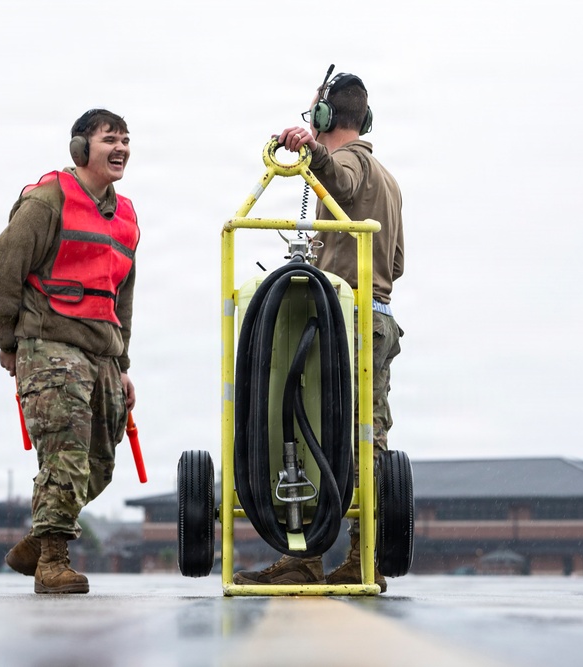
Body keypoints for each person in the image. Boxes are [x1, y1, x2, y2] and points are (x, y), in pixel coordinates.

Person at [234, 66, 404, 592]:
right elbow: (394, 264)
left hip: (345, 316)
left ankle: (303, 554)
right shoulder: (392, 181)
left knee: (314, 427)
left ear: (325, 116)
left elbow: (342, 179)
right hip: (378, 315)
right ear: (366, 116)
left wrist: (313, 149)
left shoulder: (352, 163)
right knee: (365, 435)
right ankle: (362, 556)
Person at [0, 109, 139, 595]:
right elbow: (2, 273)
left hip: (103, 353)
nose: (120, 149)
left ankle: (37, 538)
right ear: (80, 149)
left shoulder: (128, 216)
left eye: (126, 140)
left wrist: (123, 365)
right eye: (109, 139)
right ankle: (52, 561)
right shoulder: (47, 200)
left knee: (101, 462)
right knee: (65, 455)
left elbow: (122, 298)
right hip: (50, 345)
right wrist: (8, 343)